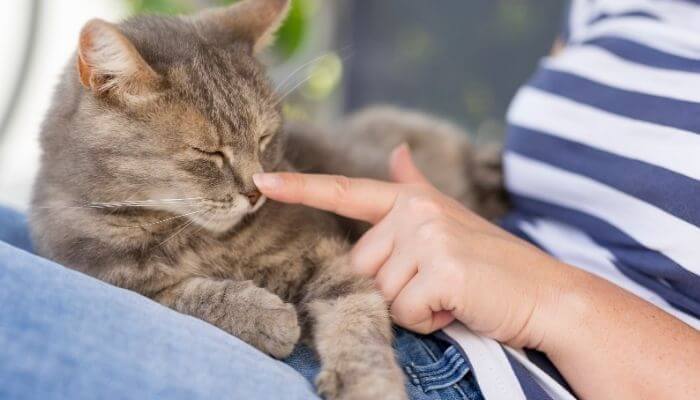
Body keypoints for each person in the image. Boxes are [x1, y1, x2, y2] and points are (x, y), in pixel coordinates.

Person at [1, 1, 699, 399]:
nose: (251, 190)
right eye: (210, 159)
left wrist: (552, 300)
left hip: (457, 362)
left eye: (261, 145)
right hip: (440, 244)